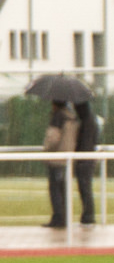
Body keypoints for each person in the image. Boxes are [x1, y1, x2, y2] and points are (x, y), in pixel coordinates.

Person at [44, 97, 99, 228]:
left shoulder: (62, 118)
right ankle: (80, 217)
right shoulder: (76, 119)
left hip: (66, 158)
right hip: (74, 159)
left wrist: (46, 148)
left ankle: (66, 218)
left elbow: (53, 139)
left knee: (59, 189)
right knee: (69, 189)